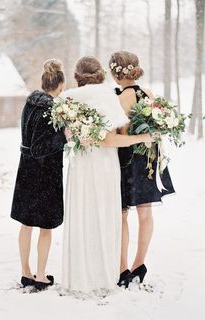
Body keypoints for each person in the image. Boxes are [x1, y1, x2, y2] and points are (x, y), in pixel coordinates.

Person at [61, 56, 154, 295]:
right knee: (104, 217)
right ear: (101, 73)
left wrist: (76, 136)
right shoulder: (107, 97)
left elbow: (66, 134)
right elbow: (109, 139)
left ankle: (78, 276)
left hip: (80, 166)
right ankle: (104, 275)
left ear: (77, 75)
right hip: (103, 165)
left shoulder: (67, 98)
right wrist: (141, 138)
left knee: (81, 215)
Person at [109, 51, 175, 288]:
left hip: (129, 159)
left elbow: (117, 134)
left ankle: (122, 269)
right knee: (145, 213)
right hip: (149, 157)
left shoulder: (123, 98)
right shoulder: (147, 92)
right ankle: (139, 265)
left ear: (116, 74)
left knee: (122, 215)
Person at [11, 59, 66, 291]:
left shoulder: (30, 102)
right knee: (45, 226)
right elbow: (42, 146)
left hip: (26, 169)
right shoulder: (51, 109)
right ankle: (41, 275)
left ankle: (26, 272)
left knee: (26, 224)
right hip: (46, 173)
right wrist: (65, 136)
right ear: (60, 86)